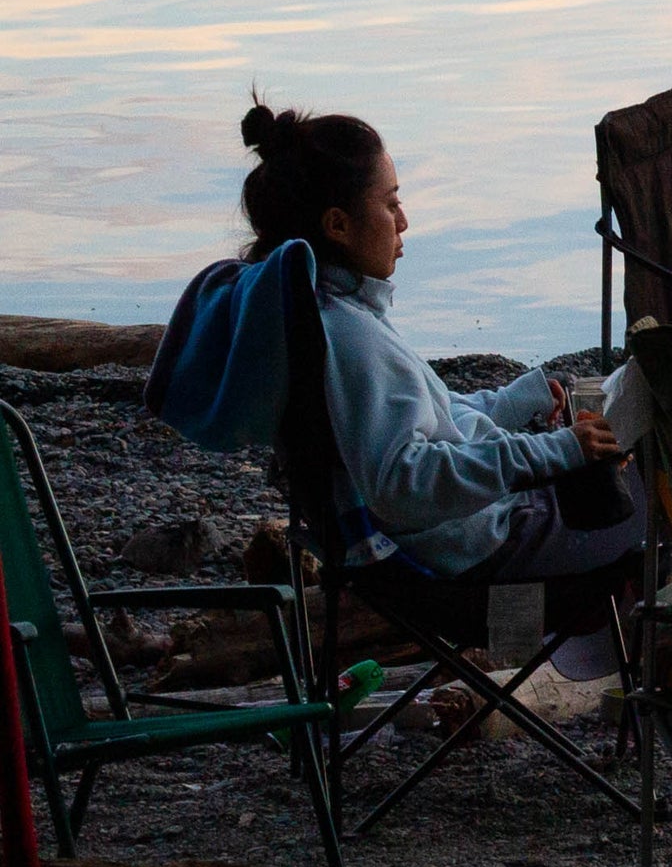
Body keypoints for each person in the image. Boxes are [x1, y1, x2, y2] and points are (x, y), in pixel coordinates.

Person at [240, 102, 645, 590]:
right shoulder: (351, 339)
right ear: (338, 225)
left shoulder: (338, 314)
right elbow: (403, 481)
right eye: (390, 204)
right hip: (482, 550)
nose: (404, 220)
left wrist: (518, 401)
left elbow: (429, 422)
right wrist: (552, 452)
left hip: (473, 528)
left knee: (646, 464)